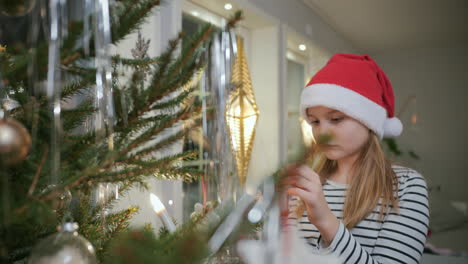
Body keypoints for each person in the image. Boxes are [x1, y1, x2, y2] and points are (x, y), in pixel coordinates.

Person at [282, 54, 429, 264]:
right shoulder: (307, 183)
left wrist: (326, 221)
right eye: (314, 122)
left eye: (336, 119)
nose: (322, 132)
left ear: (368, 121)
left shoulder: (405, 186)